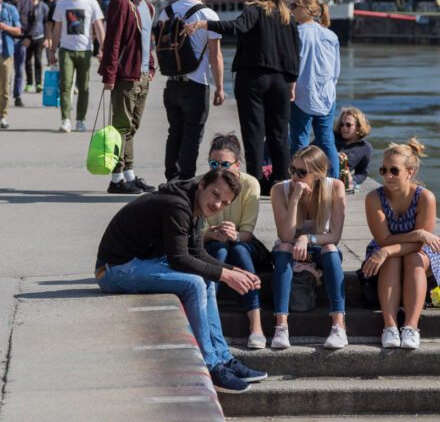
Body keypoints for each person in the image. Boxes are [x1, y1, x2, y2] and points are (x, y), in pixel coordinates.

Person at [95, 169, 268, 393]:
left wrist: (237, 271)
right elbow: (179, 260)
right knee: (195, 284)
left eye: (224, 202)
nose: (217, 205)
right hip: (113, 270)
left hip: (137, 262)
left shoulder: (195, 207)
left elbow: (197, 254)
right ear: (202, 184)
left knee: (205, 279)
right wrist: (226, 275)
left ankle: (223, 358)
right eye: (215, 195)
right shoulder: (177, 205)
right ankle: (210, 365)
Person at [184, 0, 300, 195]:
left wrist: (203, 24)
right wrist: (292, 82)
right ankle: (281, 181)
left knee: (254, 132)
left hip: (253, 79)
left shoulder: (255, 9)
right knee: (280, 133)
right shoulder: (288, 17)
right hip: (281, 81)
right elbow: (295, 52)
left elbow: (236, 28)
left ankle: (255, 182)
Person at [363, 139, 440, 350]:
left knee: (412, 258)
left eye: (394, 171)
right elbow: (383, 240)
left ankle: (411, 327)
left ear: (410, 172)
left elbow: (418, 246)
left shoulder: (425, 198)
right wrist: (415, 234)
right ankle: (389, 326)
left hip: (419, 253)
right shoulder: (373, 198)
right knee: (392, 260)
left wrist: (388, 250)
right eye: (383, 170)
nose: (387, 176)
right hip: (384, 249)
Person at [270, 145, 347, 349]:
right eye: (292, 170)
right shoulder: (280, 190)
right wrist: (295, 198)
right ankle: (281, 326)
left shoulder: (336, 187)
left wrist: (307, 239)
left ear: (317, 174)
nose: (295, 176)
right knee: (285, 246)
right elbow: (285, 235)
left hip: (319, 248)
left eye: (302, 172)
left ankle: (339, 326)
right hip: (290, 250)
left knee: (330, 249)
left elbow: (335, 236)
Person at [203, 134, 266, 349]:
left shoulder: (250, 184)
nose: (218, 169)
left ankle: (256, 325)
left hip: (243, 243)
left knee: (238, 250)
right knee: (219, 251)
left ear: (237, 165)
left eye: (224, 164)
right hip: (213, 244)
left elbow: (248, 231)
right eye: (213, 163)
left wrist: (235, 234)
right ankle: (208, 321)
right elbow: (194, 231)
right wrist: (210, 233)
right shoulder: (202, 184)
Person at [160, 0, 224, 182]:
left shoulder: (167, 12)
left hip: (172, 83)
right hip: (196, 83)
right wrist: (220, 87)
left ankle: (171, 177)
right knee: (192, 135)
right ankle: (186, 180)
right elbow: (216, 56)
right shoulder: (209, 15)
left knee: (174, 132)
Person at [99, 0, 156, 194]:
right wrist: (110, 74)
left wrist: (150, 67)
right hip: (125, 74)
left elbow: (147, 41)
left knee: (132, 127)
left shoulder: (148, 7)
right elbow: (112, 41)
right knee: (121, 128)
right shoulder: (122, 3)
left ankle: (129, 175)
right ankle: (116, 178)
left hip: (141, 75)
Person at [289, 0, 340, 179]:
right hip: (327, 95)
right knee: (327, 141)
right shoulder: (331, 35)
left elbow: (292, 66)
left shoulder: (296, 33)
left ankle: (300, 179)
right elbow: (336, 71)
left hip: (301, 93)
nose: (290, 10)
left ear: (305, 9)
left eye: (294, 6)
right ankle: (334, 181)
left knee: (299, 141)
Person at [50, 0, 105, 133]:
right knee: (66, 85)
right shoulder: (61, 4)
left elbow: (98, 27)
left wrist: (103, 47)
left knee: (84, 87)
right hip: (66, 50)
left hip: (85, 51)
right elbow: (57, 29)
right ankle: (65, 119)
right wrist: (52, 50)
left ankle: (81, 120)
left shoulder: (92, 3)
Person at [4, 0, 35, 107]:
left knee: (19, 70)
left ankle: (17, 96)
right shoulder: (4, 1)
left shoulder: (27, 1)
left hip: (22, 40)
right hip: (7, 40)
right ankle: (4, 96)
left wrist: (29, 38)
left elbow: (34, 20)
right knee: (6, 71)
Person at [334, 107, 373, 186]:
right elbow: (310, 151)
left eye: (348, 125)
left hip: (338, 183)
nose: (344, 128)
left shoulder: (365, 148)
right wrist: (332, 155)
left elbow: (362, 174)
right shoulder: (330, 138)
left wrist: (351, 178)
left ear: (358, 126)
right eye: (342, 124)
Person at [0, 0, 21, 129]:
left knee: (5, 88)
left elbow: (18, 31)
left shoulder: (10, 9)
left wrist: (5, 27)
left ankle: (3, 116)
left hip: (5, 53)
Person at [24, 0, 49, 93]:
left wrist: (47, 38)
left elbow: (47, 23)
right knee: (28, 61)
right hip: (28, 37)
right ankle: (29, 83)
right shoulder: (25, 5)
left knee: (38, 60)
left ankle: (38, 83)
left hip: (40, 37)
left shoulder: (43, 6)